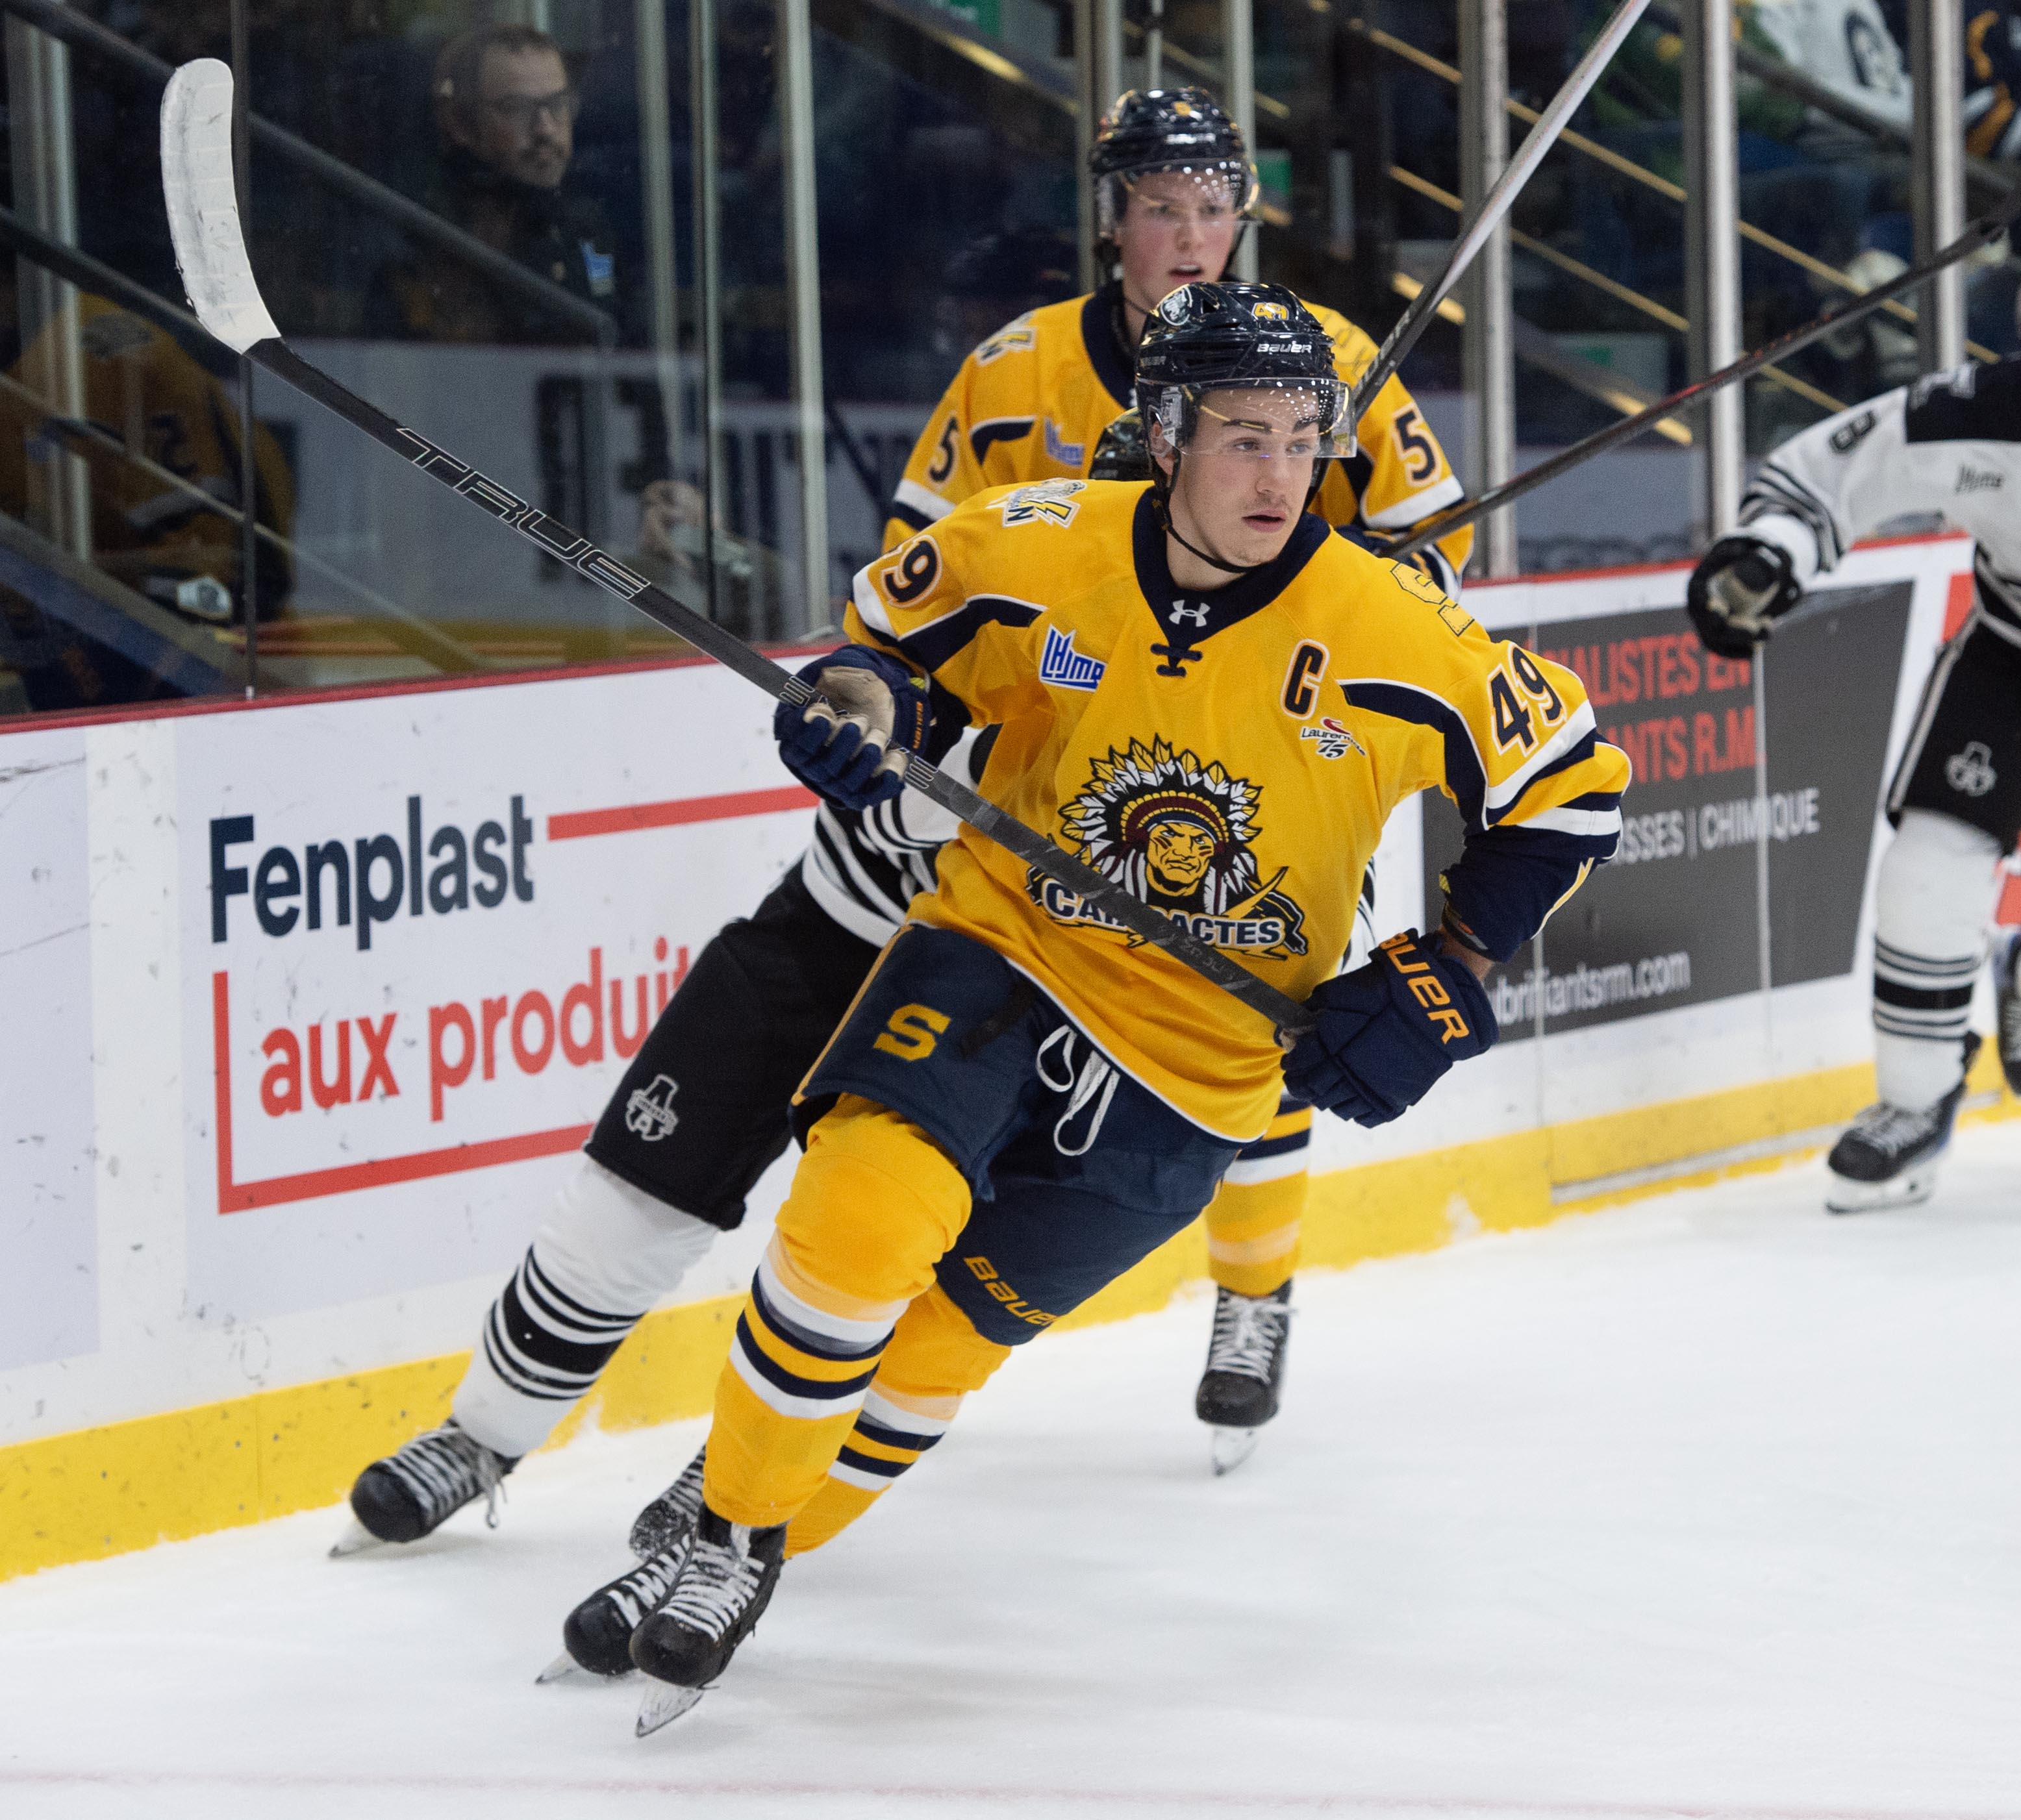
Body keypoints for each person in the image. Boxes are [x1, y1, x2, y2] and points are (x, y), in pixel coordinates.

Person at [595, 282, 1626, 1726]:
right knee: (859, 1220)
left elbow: (1571, 791)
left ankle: (739, 1510)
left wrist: (1453, 965)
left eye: (1301, 441)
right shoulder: (1039, 541)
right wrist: (860, 715)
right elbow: (893, 652)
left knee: (937, 1351)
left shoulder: (1395, 629)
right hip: (1004, 951)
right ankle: (731, 1536)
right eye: (1244, 438)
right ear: (1165, 433)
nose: (1280, 475)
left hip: (1201, 1060)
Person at [885, 88, 1475, 1449]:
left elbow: (1436, 552)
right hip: (1070, 754)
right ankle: (916, 1277)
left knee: (1255, 1018)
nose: (1191, 237)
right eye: (1162, 208)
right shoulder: (1013, 368)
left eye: (1214, 208)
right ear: (1113, 221)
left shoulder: (1323, 354)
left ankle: (1253, 1294)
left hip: (1274, 752)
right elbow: (924, 565)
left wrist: (1342, 578)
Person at [1683, 356, 2021, 1213]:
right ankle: (1914, 1099)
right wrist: (1770, 553)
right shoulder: (1979, 410)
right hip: (2010, 655)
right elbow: (1823, 475)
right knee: (1926, 872)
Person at [364, 24, 625, 346]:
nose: (546, 129)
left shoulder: (587, 226)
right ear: (460, 122)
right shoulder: (426, 242)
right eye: (517, 108)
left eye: (558, 104)